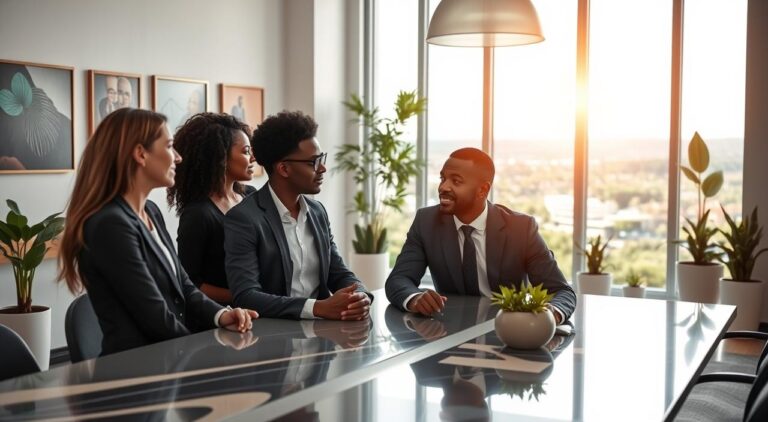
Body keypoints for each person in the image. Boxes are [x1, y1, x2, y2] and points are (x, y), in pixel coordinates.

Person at [58, 108, 257, 356]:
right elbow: (154, 316)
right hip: (138, 368)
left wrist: (222, 315)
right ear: (141, 154)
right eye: (170, 147)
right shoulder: (110, 224)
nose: (178, 158)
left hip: (169, 357)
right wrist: (202, 353)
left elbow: (184, 285)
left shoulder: (150, 211)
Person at [385, 148, 576, 323]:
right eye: (443, 179)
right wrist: (415, 298)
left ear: (483, 190)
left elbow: (561, 291)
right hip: (447, 333)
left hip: (508, 334)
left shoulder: (520, 228)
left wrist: (551, 314)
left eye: (456, 181)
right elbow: (398, 279)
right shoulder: (426, 222)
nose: (443, 187)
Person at [224, 110, 372, 320]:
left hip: (322, 335)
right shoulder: (244, 219)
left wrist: (361, 295)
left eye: (322, 158)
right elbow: (246, 296)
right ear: (284, 168)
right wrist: (318, 308)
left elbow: (337, 272)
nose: (322, 168)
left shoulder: (317, 212)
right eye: (314, 162)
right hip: (270, 339)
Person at [167, 113, 258, 305]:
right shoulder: (198, 214)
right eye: (246, 151)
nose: (253, 158)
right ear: (221, 157)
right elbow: (190, 282)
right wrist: (244, 298)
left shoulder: (251, 196)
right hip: (219, 320)